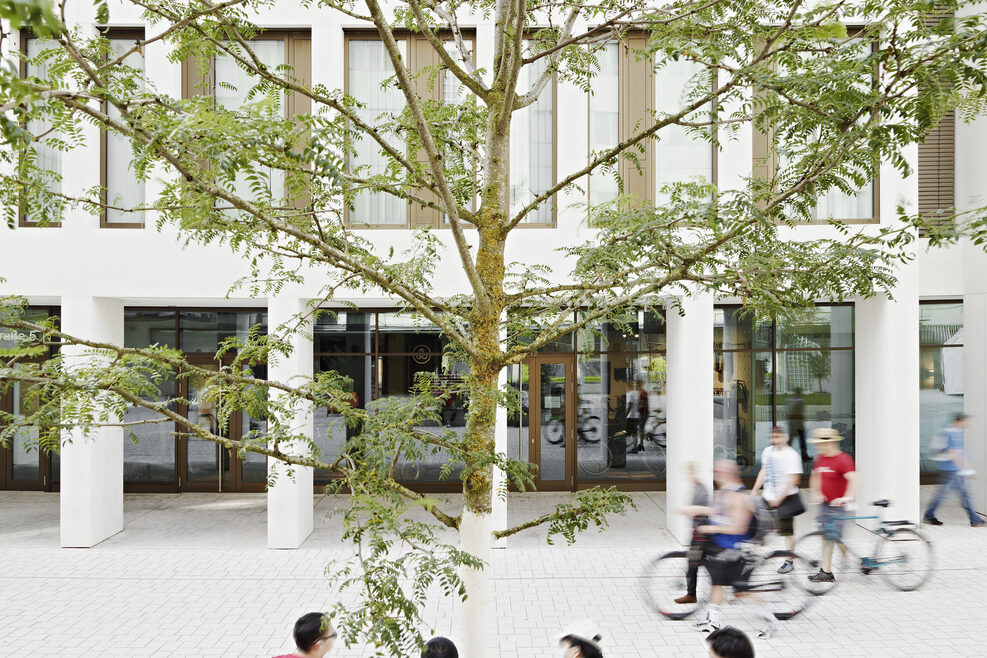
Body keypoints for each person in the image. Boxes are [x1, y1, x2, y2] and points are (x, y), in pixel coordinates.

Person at [684, 460, 776, 639]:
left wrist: (711, 529)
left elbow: (738, 528)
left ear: (729, 474)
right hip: (723, 550)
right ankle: (713, 622)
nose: (715, 475)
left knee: (742, 592)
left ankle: (770, 620)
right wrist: (697, 509)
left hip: (737, 552)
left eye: (718, 472)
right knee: (717, 583)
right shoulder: (725, 492)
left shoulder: (739, 497)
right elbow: (718, 513)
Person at [751, 426, 804, 573]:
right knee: (757, 525)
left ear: (786, 437)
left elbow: (795, 479)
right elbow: (764, 471)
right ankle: (756, 555)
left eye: (779, 435)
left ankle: (789, 561)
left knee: (787, 532)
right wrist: (755, 489)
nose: (775, 438)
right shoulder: (767, 452)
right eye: (773, 435)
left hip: (786, 499)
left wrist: (779, 499)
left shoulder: (792, 455)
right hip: (768, 496)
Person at [807, 428, 856, 583]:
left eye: (819, 443)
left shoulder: (842, 459)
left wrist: (846, 497)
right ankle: (826, 571)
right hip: (825, 504)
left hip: (838, 506)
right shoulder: (820, 458)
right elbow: (815, 476)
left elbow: (854, 479)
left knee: (835, 538)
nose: (817, 447)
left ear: (829, 443)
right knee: (826, 537)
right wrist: (815, 492)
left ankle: (850, 558)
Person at [924, 413, 985, 527]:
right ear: (960, 421)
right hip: (951, 470)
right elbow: (955, 454)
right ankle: (974, 520)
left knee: (952, 494)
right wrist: (969, 470)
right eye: (965, 421)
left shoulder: (953, 431)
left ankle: (929, 515)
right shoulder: (952, 433)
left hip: (952, 469)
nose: (967, 424)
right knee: (956, 495)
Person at [675, 461, 711, 604]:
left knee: (693, 564)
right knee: (693, 564)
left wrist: (691, 511)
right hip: (698, 533)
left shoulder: (702, 490)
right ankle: (691, 594)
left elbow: (705, 511)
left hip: (701, 535)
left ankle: (691, 594)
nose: (688, 476)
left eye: (690, 473)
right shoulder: (697, 488)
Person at [785, 389, 809, 461]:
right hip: (799, 424)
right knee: (802, 440)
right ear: (799, 393)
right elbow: (801, 413)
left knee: (790, 440)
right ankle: (804, 455)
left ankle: (785, 455)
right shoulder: (800, 401)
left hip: (791, 423)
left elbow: (786, 412)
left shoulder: (788, 400)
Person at [627, 379, 649, 453]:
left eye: (638, 385)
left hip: (642, 413)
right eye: (636, 385)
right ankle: (640, 445)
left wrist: (638, 407)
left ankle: (638, 446)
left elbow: (642, 404)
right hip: (640, 414)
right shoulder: (638, 393)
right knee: (639, 430)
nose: (636, 386)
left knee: (639, 430)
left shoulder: (642, 392)